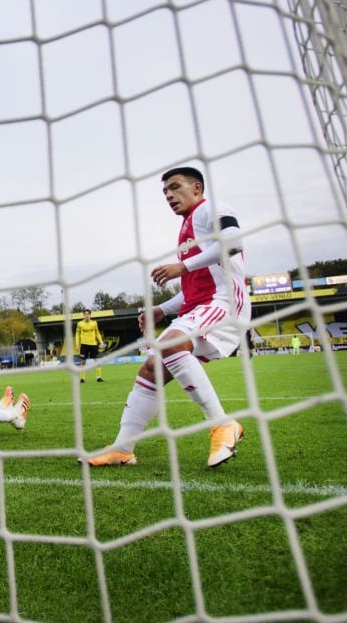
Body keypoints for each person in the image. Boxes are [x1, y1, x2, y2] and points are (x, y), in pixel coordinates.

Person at [86, 166, 249, 468]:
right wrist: (162, 309)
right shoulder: (188, 229)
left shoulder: (209, 209)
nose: (169, 196)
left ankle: (222, 424)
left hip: (224, 303)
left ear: (197, 188)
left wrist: (181, 268)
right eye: (165, 192)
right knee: (151, 369)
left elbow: (233, 242)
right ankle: (123, 448)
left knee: (170, 346)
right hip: (201, 304)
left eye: (175, 187)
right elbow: (196, 287)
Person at [74, 309, 105, 383]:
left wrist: (101, 342)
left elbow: (97, 333)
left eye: (88, 314)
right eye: (85, 314)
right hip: (84, 345)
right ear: (83, 315)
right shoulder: (80, 324)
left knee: (97, 361)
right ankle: (82, 378)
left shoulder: (94, 323)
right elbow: (77, 334)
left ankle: (99, 378)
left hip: (93, 345)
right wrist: (77, 344)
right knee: (83, 362)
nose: (86, 315)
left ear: (90, 315)